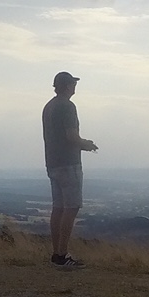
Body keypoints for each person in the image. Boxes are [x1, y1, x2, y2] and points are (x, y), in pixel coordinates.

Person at [41, 71, 98, 268]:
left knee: (58, 208)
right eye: (73, 83)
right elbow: (71, 136)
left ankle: (56, 254)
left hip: (53, 163)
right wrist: (86, 144)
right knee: (71, 208)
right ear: (67, 86)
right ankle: (63, 254)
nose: (75, 87)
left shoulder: (49, 106)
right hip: (68, 163)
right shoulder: (67, 106)